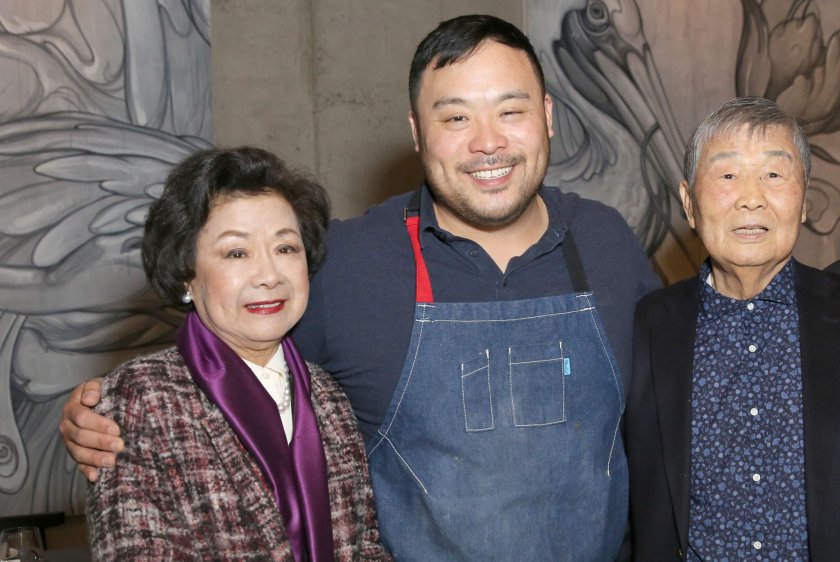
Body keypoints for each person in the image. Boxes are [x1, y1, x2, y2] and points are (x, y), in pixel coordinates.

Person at [62, 15, 662, 561]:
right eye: (455, 117)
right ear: (417, 132)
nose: (488, 142)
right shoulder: (350, 262)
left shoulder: (606, 243)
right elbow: (228, 358)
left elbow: (678, 406)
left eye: (511, 110)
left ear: (548, 115)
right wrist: (104, 414)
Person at [625, 97, 840, 561]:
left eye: (774, 174)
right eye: (727, 175)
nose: (751, 197)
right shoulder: (648, 327)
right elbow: (631, 508)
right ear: (689, 203)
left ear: (804, 201)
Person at [85, 147, 389, 561]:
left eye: (286, 249)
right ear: (186, 274)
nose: (268, 276)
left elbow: (364, 547)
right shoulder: (141, 397)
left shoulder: (330, 399)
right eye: (236, 253)